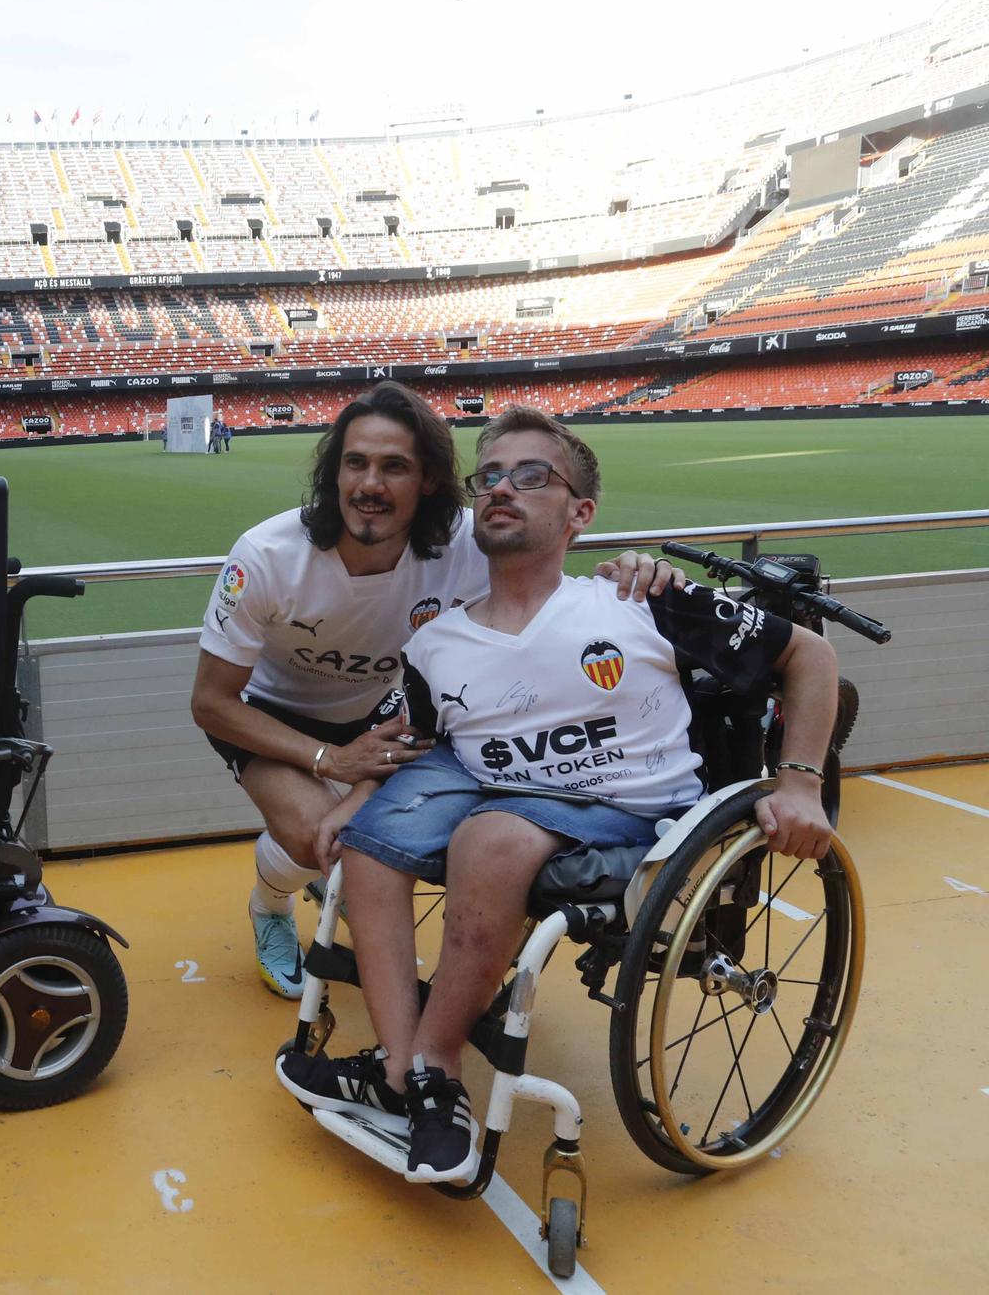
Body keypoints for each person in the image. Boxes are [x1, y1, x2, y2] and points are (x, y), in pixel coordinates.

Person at [276, 407, 839, 1184]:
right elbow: (417, 743)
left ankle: (432, 1069)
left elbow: (810, 657)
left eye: (531, 475)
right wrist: (350, 801)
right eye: (491, 477)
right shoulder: (435, 644)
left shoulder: (639, 600)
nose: (503, 489)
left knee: (491, 836)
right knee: (371, 850)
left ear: (581, 513)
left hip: (636, 819)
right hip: (501, 799)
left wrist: (801, 780)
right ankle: (405, 1074)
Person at [190, 382, 669, 1001]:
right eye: (355, 463)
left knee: (363, 837)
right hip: (270, 712)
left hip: (387, 707)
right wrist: (329, 761)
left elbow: (550, 551)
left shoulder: (469, 539)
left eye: (395, 467)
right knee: (316, 837)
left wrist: (634, 567)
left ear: (431, 482)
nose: (369, 485)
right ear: (333, 474)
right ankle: (270, 902)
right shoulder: (267, 555)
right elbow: (211, 703)